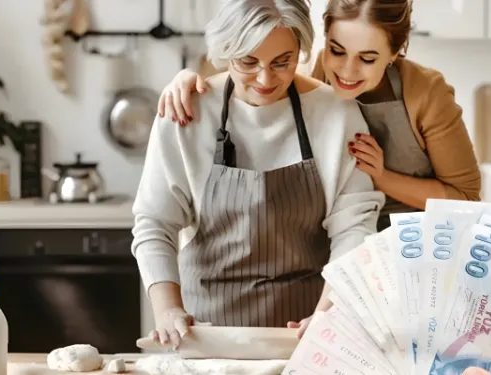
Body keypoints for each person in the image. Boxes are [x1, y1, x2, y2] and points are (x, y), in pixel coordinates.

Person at [131, 0, 384, 347]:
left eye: (283, 62)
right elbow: (154, 223)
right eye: (248, 62)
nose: (266, 79)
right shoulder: (188, 110)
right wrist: (168, 310)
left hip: (306, 335)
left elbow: (355, 226)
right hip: (204, 335)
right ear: (226, 51)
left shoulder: (336, 112)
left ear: (301, 50)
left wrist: (330, 311)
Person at [155, 0, 482, 232]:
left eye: (368, 59)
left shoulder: (426, 92)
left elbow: (465, 198)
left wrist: (381, 177)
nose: (347, 72)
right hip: (343, 251)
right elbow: (256, 76)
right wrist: (188, 80)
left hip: (419, 247)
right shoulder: (315, 79)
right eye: (337, 51)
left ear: (396, 52)